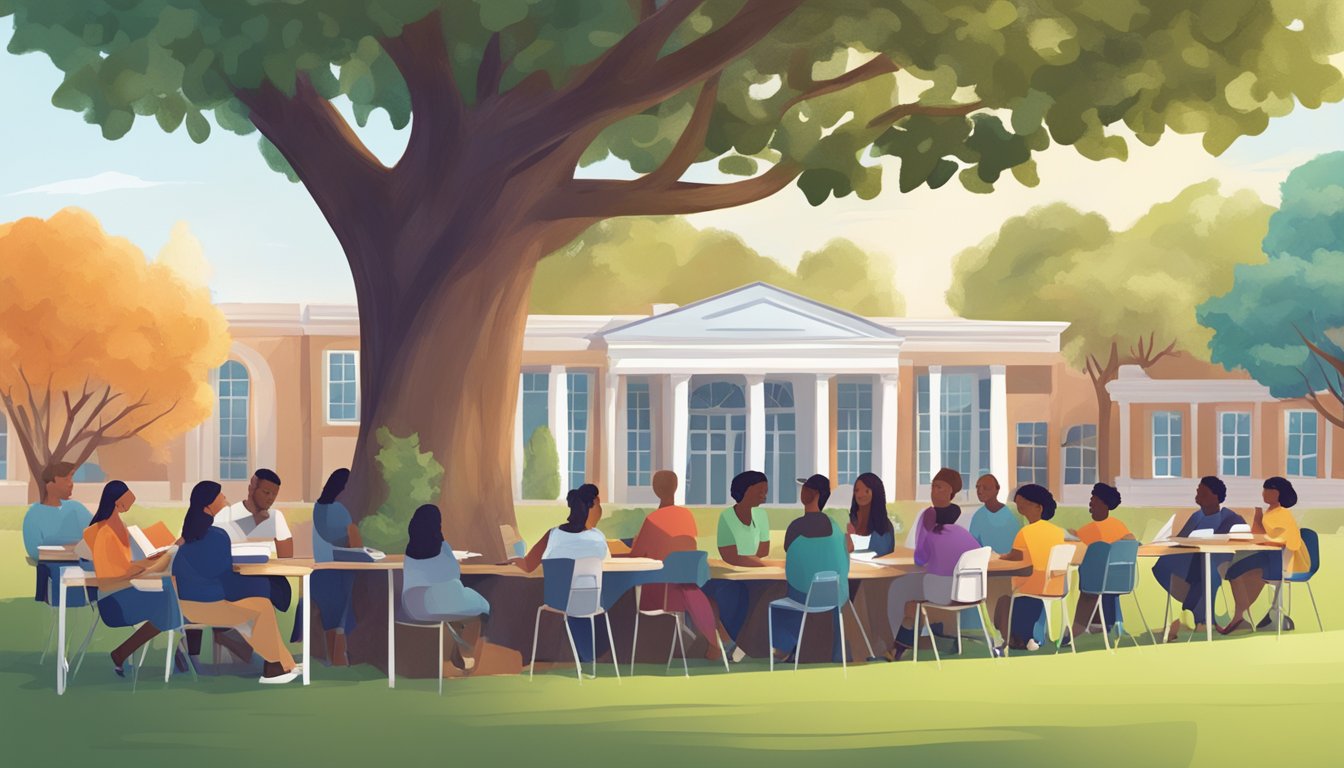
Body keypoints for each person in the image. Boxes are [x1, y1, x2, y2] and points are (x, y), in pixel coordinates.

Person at [173, 481, 301, 684]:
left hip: (186, 604)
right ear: (209, 504)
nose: (224, 498)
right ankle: (273, 669)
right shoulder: (216, 536)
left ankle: (285, 664)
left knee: (261, 603)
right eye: (219, 495)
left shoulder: (188, 536)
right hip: (208, 606)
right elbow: (225, 579)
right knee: (261, 607)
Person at [625, 470, 733, 662]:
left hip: (663, 590)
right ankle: (716, 640)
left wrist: (631, 546)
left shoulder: (653, 520)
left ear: (655, 490)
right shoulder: (687, 516)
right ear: (676, 487)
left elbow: (636, 556)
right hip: (688, 583)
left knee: (626, 589)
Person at [82, 480, 178, 677]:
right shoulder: (105, 533)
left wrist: (148, 562)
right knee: (170, 602)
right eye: (128, 500)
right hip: (114, 600)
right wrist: (144, 567)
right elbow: (109, 578)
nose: (131, 504)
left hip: (126, 589)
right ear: (118, 503)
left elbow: (124, 566)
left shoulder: (120, 527)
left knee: (171, 599)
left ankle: (123, 653)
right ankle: (125, 653)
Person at [515, 484, 614, 664]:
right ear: (592, 505)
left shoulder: (553, 535)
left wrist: (513, 558)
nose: (601, 510)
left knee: (574, 600)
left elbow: (528, 565)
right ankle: (589, 656)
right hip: (591, 601)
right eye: (599, 505)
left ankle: (585, 656)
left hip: (558, 600)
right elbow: (606, 561)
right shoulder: (598, 537)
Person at [881, 503, 980, 661]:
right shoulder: (964, 534)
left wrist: (924, 535)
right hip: (971, 594)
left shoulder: (933, 535)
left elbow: (920, 559)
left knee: (912, 607)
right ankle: (919, 645)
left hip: (943, 594)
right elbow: (978, 552)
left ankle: (898, 650)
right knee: (918, 607)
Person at [770, 474, 851, 664]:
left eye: (806, 488)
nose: (802, 491)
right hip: (835, 595)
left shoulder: (796, 527)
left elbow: (791, 556)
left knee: (775, 599)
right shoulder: (834, 527)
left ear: (816, 494)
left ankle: (786, 648)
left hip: (804, 594)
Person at [1152, 476, 1245, 640]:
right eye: (1198, 491)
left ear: (1215, 496)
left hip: (1219, 560)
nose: (1198, 494)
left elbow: (1239, 538)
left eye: (1203, 492)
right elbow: (1182, 538)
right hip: (1192, 558)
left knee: (1208, 567)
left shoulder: (1229, 517)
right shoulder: (1197, 516)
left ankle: (1202, 619)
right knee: (1163, 565)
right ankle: (1196, 608)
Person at [403, 504, 490, 673]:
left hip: (413, 605)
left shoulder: (410, 550)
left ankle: (455, 654)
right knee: (482, 610)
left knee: (456, 612)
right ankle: (468, 657)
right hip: (441, 600)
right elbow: (454, 573)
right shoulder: (442, 547)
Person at [1219, 477, 1309, 635]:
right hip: (1270, 555)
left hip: (1281, 559)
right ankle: (1240, 617)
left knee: (1235, 571)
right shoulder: (1270, 512)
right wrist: (1258, 518)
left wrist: (1260, 531)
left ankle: (1240, 618)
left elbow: (1281, 539)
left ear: (1278, 493)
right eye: (1264, 489)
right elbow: (1262, 533)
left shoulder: (1282, 514)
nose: (1264, 493)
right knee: (1234, 570)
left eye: (1268, 490)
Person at [700, 470, 771, 662]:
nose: (764, 494)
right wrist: (758, 562)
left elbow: (764, 550)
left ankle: (733, 643)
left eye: (765, 490)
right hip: (732, 574)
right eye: (759, 490)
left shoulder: (762, 516)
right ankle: (724, 641)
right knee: (713, 590)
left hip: (757, 575)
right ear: (745, 491)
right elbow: (730, 556)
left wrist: (754, 562)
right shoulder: (727, 517)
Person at [212, 468, 294, 627]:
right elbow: (215, 547)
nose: (270, 499)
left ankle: (247, 645)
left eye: (274, 495)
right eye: (266, 492)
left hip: (264, 579)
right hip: (232, 579)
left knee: (270, 592)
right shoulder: (227, 514)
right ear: (252, 487)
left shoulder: (276, 517)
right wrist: (255, 521)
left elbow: (286, 559)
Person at [997, 484, 1066, 651]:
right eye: (1018, 503)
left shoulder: (1025, 532)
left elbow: (1014, 556)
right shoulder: (1058, 532)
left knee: (1002, 593)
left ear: (1038, 507)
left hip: (1032, 585)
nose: (1019, 507)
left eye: (1023, 503)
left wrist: (1000, 556)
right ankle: (1033, 637)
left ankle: (1012, 638)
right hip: (1057, 584)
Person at [1068, 483, 1134, 638]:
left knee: (1090, 580)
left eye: (1094, 500)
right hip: (1121, 581)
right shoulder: (1119, 526)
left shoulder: (1091, 530)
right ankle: (1099, 623)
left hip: (1097, 582)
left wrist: (1071, 534)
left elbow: (1078, 543)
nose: (1091, 504)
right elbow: (1131, 540)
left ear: (1104, 504)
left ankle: (1081, 628)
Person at [23, 462, 93, 603]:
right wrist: (69, 547)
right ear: (50, 484)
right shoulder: (33, 515)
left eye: (71, 479)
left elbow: (96, 532)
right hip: (55, 571)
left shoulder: (76, 508)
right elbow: (34, 552)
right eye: (66, 480)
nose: (71, 484)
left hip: (86, 567)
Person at [311, 469, 359, 666]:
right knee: (342, 617)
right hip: (338, 573)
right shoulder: (340, 510)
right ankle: (340, 658)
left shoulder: (318, 508)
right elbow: (355, 546)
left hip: (320, 576)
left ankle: (334, 658)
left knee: (332, 619)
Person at [903, 467, 968, 548]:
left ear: (950, 490)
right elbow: (911, 544)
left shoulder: (960, 516)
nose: (934, 492)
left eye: (939, 487)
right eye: (932, 487)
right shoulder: (924, 514)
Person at [968, 474, 1020, 556]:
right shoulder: (978, 517)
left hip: (1012, 563)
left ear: (997, 489)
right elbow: (972, 546)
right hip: (988, 565)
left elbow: (1019, 542)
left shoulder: (1012, 512)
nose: (980, 491)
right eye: (978, 487)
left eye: (985, 487)